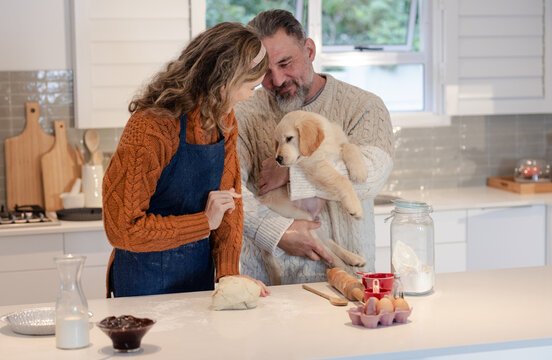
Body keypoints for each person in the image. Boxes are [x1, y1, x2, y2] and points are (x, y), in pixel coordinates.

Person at [102, 22, 269, 297]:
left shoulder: (223, 118)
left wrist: (228, 274)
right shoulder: (151, 126)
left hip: (198, 278)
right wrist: (203, 222)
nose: (251, 95)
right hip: (142, 283)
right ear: (224, 80)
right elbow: (122, 229)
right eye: (251, 86)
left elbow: (229, 202)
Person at [235, 10, 394, 285]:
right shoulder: (242, 112)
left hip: (350, 281)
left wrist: (290, 173)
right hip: (267, 285)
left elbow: (369, 177)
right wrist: (278, 233)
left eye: (286, 63)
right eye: (265, 73)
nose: (279, 79)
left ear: (309, 50)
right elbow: (230, 190)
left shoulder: (363, 106)